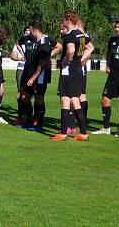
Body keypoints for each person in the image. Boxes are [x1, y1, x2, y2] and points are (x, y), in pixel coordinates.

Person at [51, 11, 92, 141]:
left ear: (68, 20)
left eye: (63, 20)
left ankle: (63, 134)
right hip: (79, 71)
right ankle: (83, 133)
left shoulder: (69, 35)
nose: (62, 22)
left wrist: (67, 61)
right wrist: (80, 61)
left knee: (65, 100)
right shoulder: (81, 34)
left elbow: (71, 50)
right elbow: (90, 48)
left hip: (69, 71)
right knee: (75, 100)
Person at [20, 21, 55, 132]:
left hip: (40, 76)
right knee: (25, 96)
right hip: (33, 74)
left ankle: (39, 124)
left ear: (35, 30)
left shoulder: (44, 43)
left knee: (39, 98)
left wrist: (33, 77)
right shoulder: (38, 41)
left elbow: (42, 64)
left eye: (30, 30)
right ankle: (30, 121)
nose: (29, 32)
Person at [11, 26, 33, 126]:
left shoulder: (35, 41)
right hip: (21, 69)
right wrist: (20, 57)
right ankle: (20, 117)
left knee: (34, 95)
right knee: (21, 93)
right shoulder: (21, 42)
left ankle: (31, 117)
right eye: (26, 32)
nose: (28, 34)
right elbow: (13, 55)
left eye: (30, 32)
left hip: (32, 70)